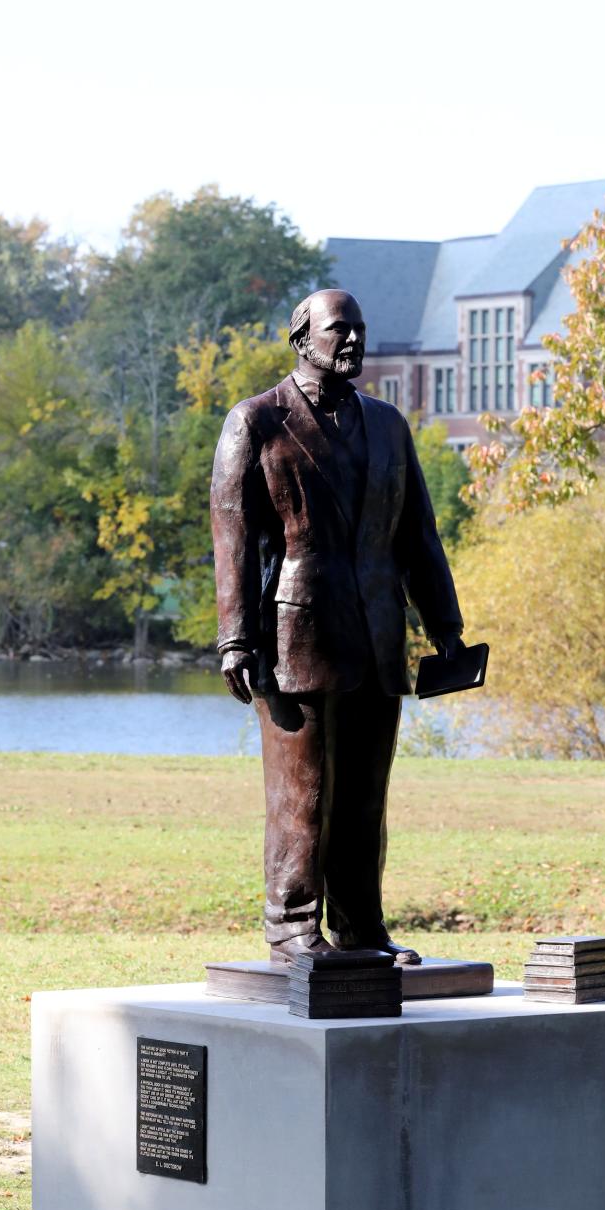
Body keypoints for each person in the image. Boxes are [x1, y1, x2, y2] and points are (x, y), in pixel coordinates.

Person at [211, 289, 463, 965]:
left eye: (359, 329)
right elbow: (232, 533)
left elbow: (419, 536)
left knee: (363, 801)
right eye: (338, 330)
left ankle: (361, 928)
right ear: (302, 339)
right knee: (303, 796)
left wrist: (445, 623)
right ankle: (292, 929)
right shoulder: (256, 421)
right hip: (295, 635)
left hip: (379, 634)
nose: (352, 341)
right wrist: (235, 636)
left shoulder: (388, 426)